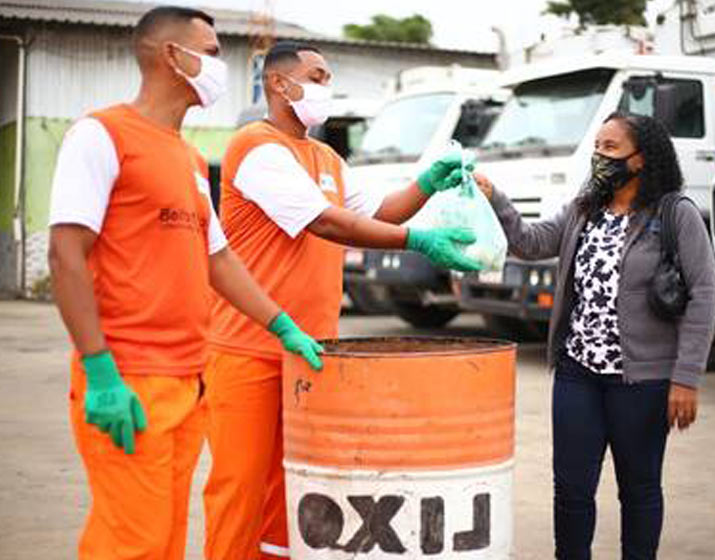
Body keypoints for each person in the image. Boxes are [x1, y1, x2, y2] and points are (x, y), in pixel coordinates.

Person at [47, 8, 321, 559]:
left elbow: (218, 260)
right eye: (212, 53)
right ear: (173, 55)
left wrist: (282, 325)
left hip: (187, 380)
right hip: (128, 379)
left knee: (167, 539)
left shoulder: (190, 158)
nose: (221, 67)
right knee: (133, 543)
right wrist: (99, 369)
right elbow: (65, 253)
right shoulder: (101, 135)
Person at [202, 41, 481, 559]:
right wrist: (418, 242)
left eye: (329, 78)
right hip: (248, 349)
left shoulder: (326, 157)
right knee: (239, 491)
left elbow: (378, 212)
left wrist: (425, 185)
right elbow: (327, 222)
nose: (326, 87)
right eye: (317, 76)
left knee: (291, 490)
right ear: (279, 83)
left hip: (310, 350)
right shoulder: (256, 147)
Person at [474, 112, 715, 560]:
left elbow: (705, 294)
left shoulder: (675, 214)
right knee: (571, 488)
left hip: (642, 381)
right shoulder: (584, 210)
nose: (599, 156)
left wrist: (686, 378)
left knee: (639, 488)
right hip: (578, 373)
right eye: (597, 147)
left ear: (640, 159)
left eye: (610, 148)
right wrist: (495, 197)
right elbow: (530, 242)